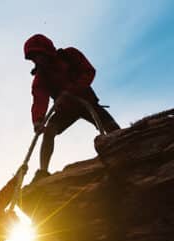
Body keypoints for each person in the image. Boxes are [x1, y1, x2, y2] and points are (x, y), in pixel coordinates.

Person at [25, 34, 121, 182]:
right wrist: (38, 120)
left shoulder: (70, 55)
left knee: (111, 127)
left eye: (38, 55)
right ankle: (43, 171)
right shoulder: (41, 77)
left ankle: (123, 146)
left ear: (46, 51)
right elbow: (39, 98)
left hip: (86, 102)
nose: (36, 60)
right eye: (33, 57)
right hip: (65, 110)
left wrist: (72, 89)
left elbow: (88, 71)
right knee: (49, 130)